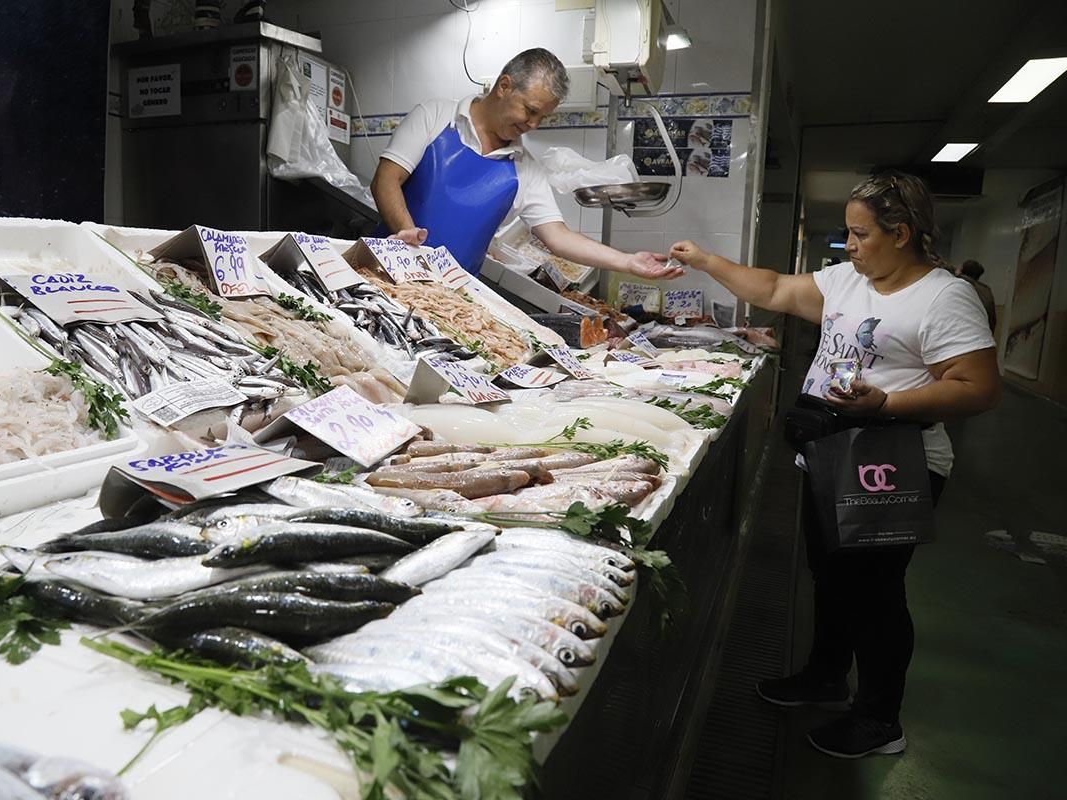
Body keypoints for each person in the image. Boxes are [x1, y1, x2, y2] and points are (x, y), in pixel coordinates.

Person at [668, 171, 1001, 759]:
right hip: (831, 453)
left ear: (901, 234)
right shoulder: (849, 280)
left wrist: (887, 403)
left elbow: (978, 387)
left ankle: (879, 721)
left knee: (875, 594)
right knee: (829, 576)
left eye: (860, 234)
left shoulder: (944, 297)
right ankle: (825, 675)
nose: (848, 245)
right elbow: (771, 288)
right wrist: (705, 259)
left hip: (896, 460)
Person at [370, 48, 675, 279]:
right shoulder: (434, 116)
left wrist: (627, 261)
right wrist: (407, 235)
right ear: (504, 86)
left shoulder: (525, 168)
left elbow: (558, 236)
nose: (533, 124)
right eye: (530, 111)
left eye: (542, 118)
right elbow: (386, 179)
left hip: (452, 294)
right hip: (385, 270)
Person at [957, 259, 998, 333]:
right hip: (980, 335)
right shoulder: (986, 290)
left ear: (962, 270)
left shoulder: (957, 284)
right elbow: (992, 319)